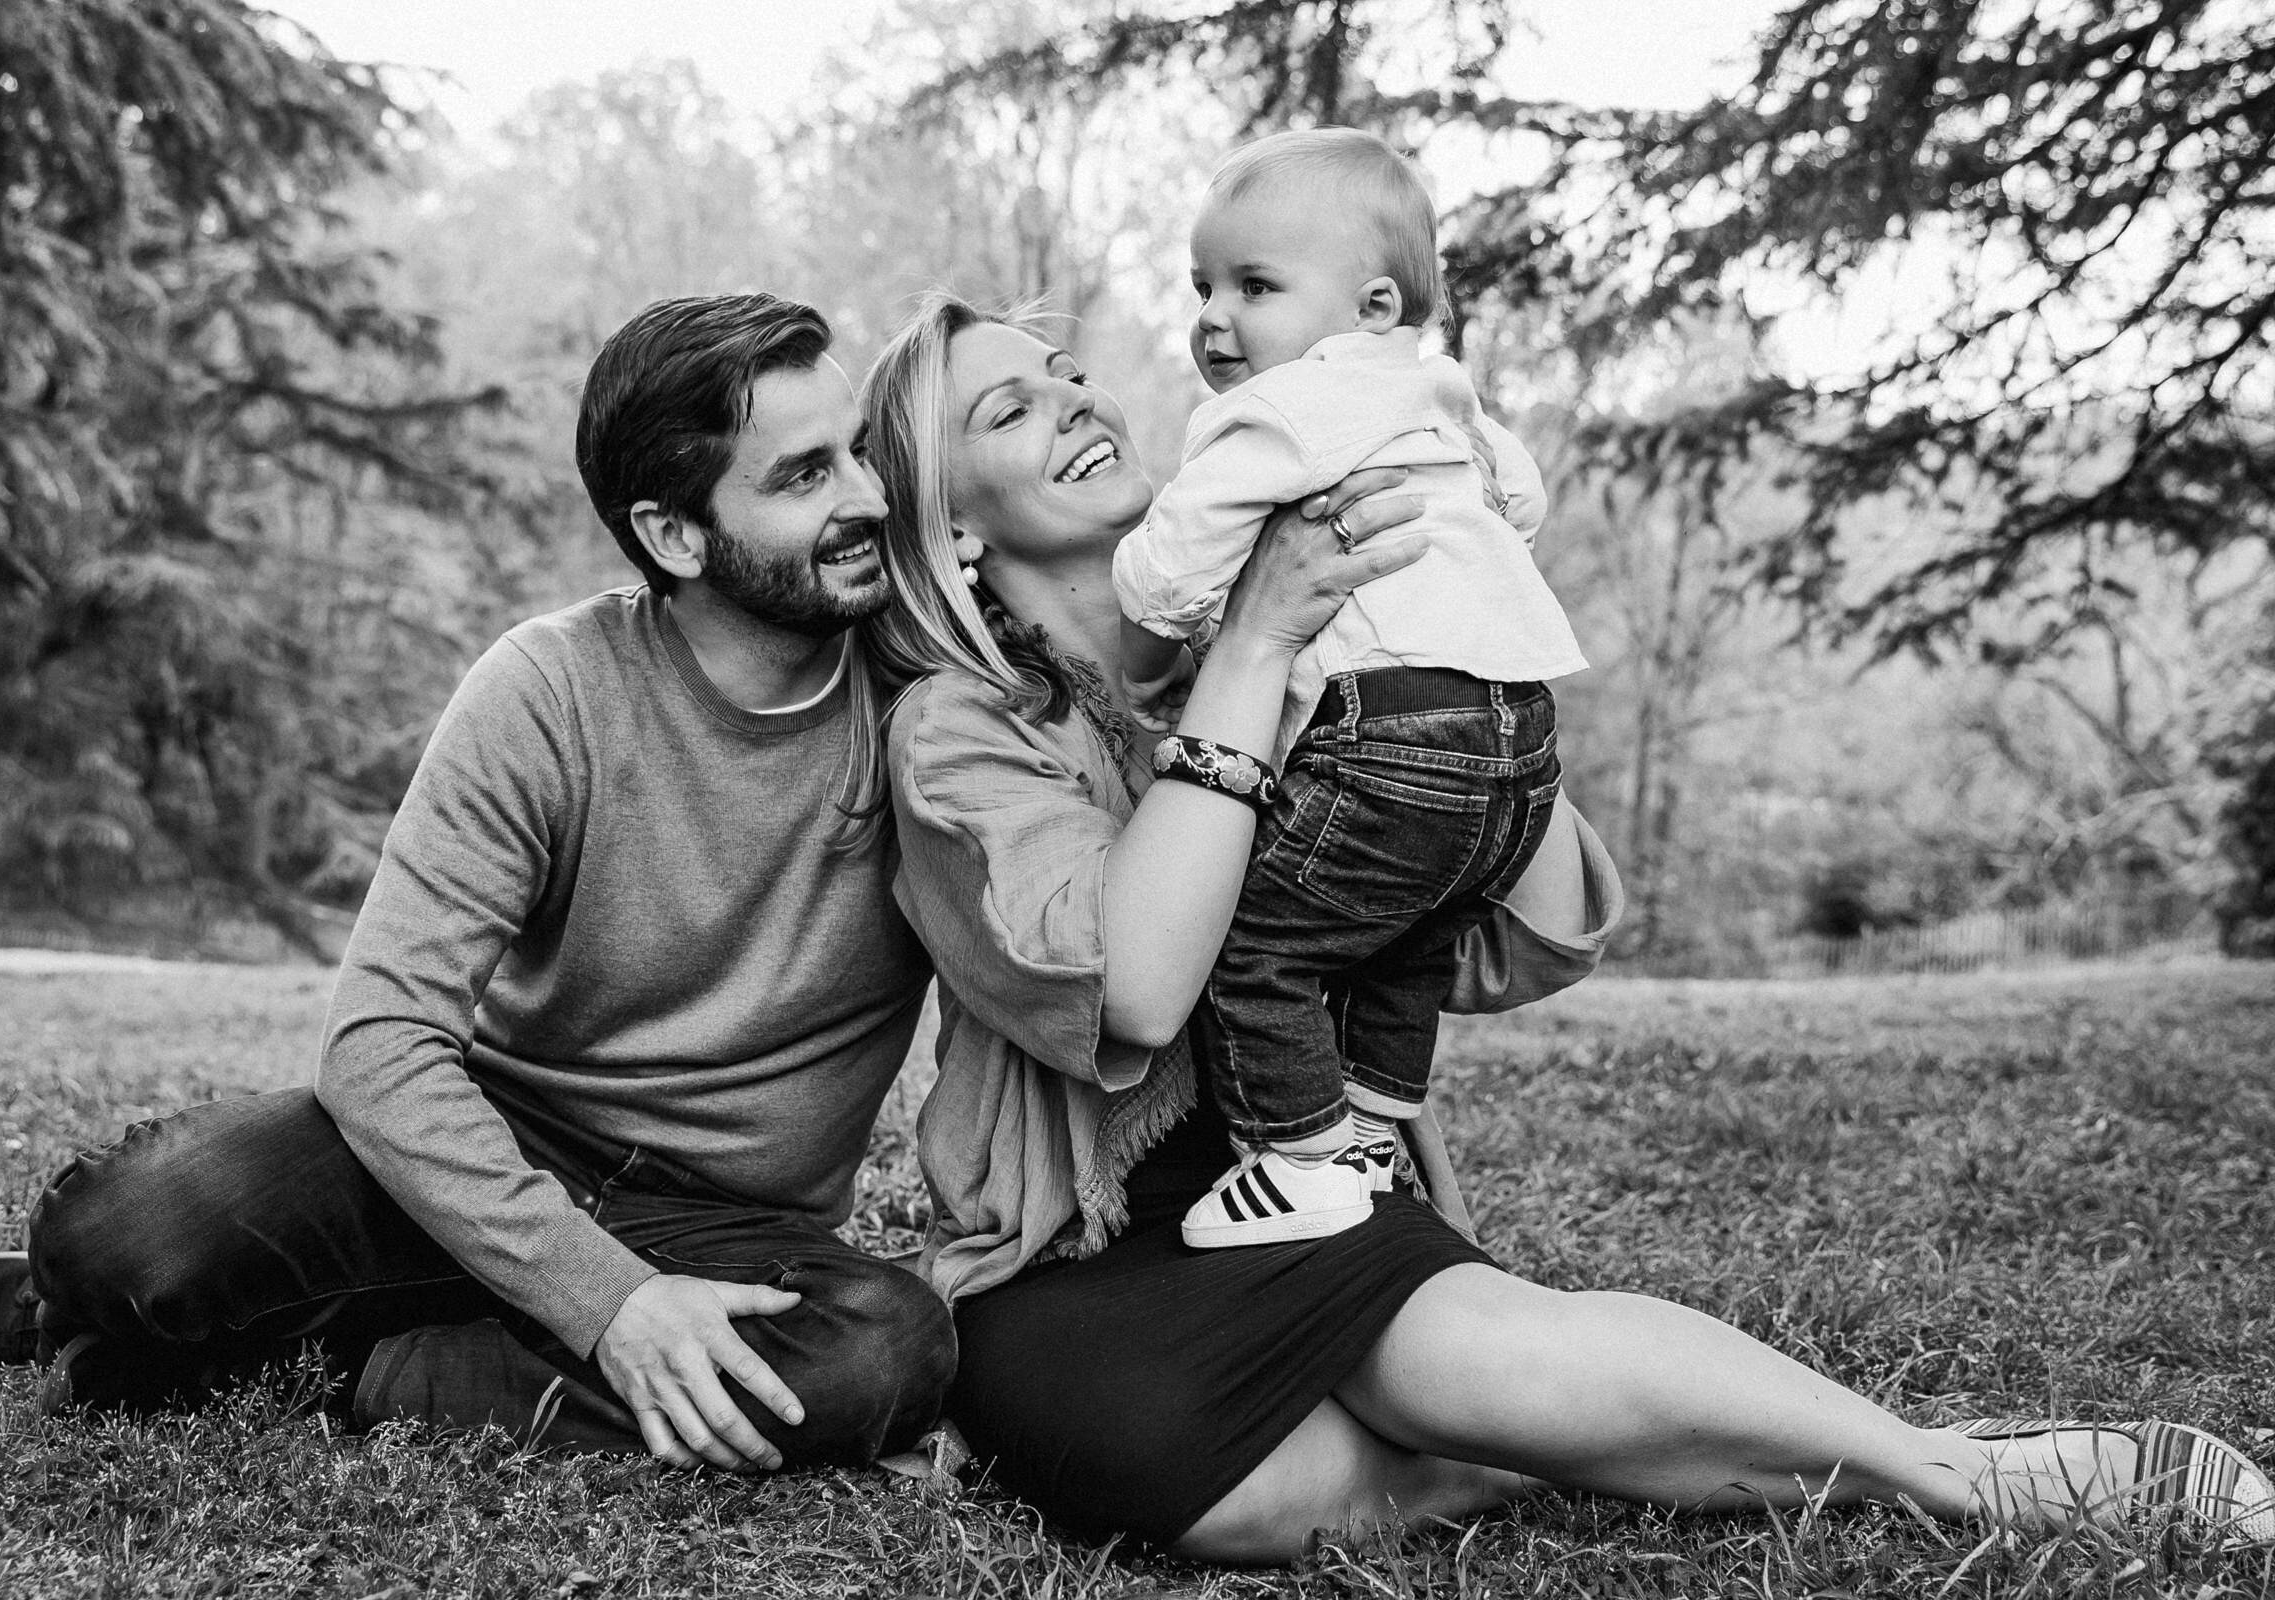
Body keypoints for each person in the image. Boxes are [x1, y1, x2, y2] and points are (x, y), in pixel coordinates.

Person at [852, 292, 2274, 1561]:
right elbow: (1136, 993)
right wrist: (1255, 656)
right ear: (952, 525)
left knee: (1476, 1361)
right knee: (1210, 1484)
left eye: (1069, 372)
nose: (1077, 402)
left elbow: (1526, 930)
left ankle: (1985, 1477)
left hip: (1318, 1177)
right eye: (1011, 406)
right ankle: (1540, 1444)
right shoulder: (961, 734)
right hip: (1085, 1251)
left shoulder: (1314, 614)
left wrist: (1464, 694)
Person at [0, 292, 952, 1475]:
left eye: (854, 450)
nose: (867, 496)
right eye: (803, 476)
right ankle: (51, 1316)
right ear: (676, 535)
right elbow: (380, 1043)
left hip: (733, 1220)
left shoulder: (929, 699)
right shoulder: (549, 689)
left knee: (880, 1353)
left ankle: (361, 1365)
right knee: (120, 1231)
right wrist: (610, 1304)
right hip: (506, 1133)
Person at [1112, 129, 1589, 1246]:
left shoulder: (1276, 409)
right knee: (1411, 923)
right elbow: (1516, 501)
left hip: (1395, 734)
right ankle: (1376, 1109)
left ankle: (1307, 1155)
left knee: (1254, 948)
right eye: (1203, 287)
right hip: (1517, 723)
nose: (1214, 317)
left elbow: (1171, 561)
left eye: (1255, 286)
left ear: (1373, 305)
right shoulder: (1439, 394)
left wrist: (1161, 598)